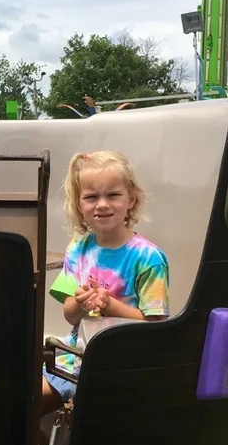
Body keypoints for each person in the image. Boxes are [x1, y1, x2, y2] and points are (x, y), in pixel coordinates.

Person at [42, 150, 171, 413]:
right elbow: (70, 315)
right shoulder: (78, 249)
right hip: (75, 357)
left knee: (27, 402)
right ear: (79, 205)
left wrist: (110, 306)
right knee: (14, 395)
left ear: (131, 199)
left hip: (120, 364)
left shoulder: (148, 258)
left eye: (113, 195)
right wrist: (80, 303)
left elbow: (156, 326)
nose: (102, 204)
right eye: (91, 197)